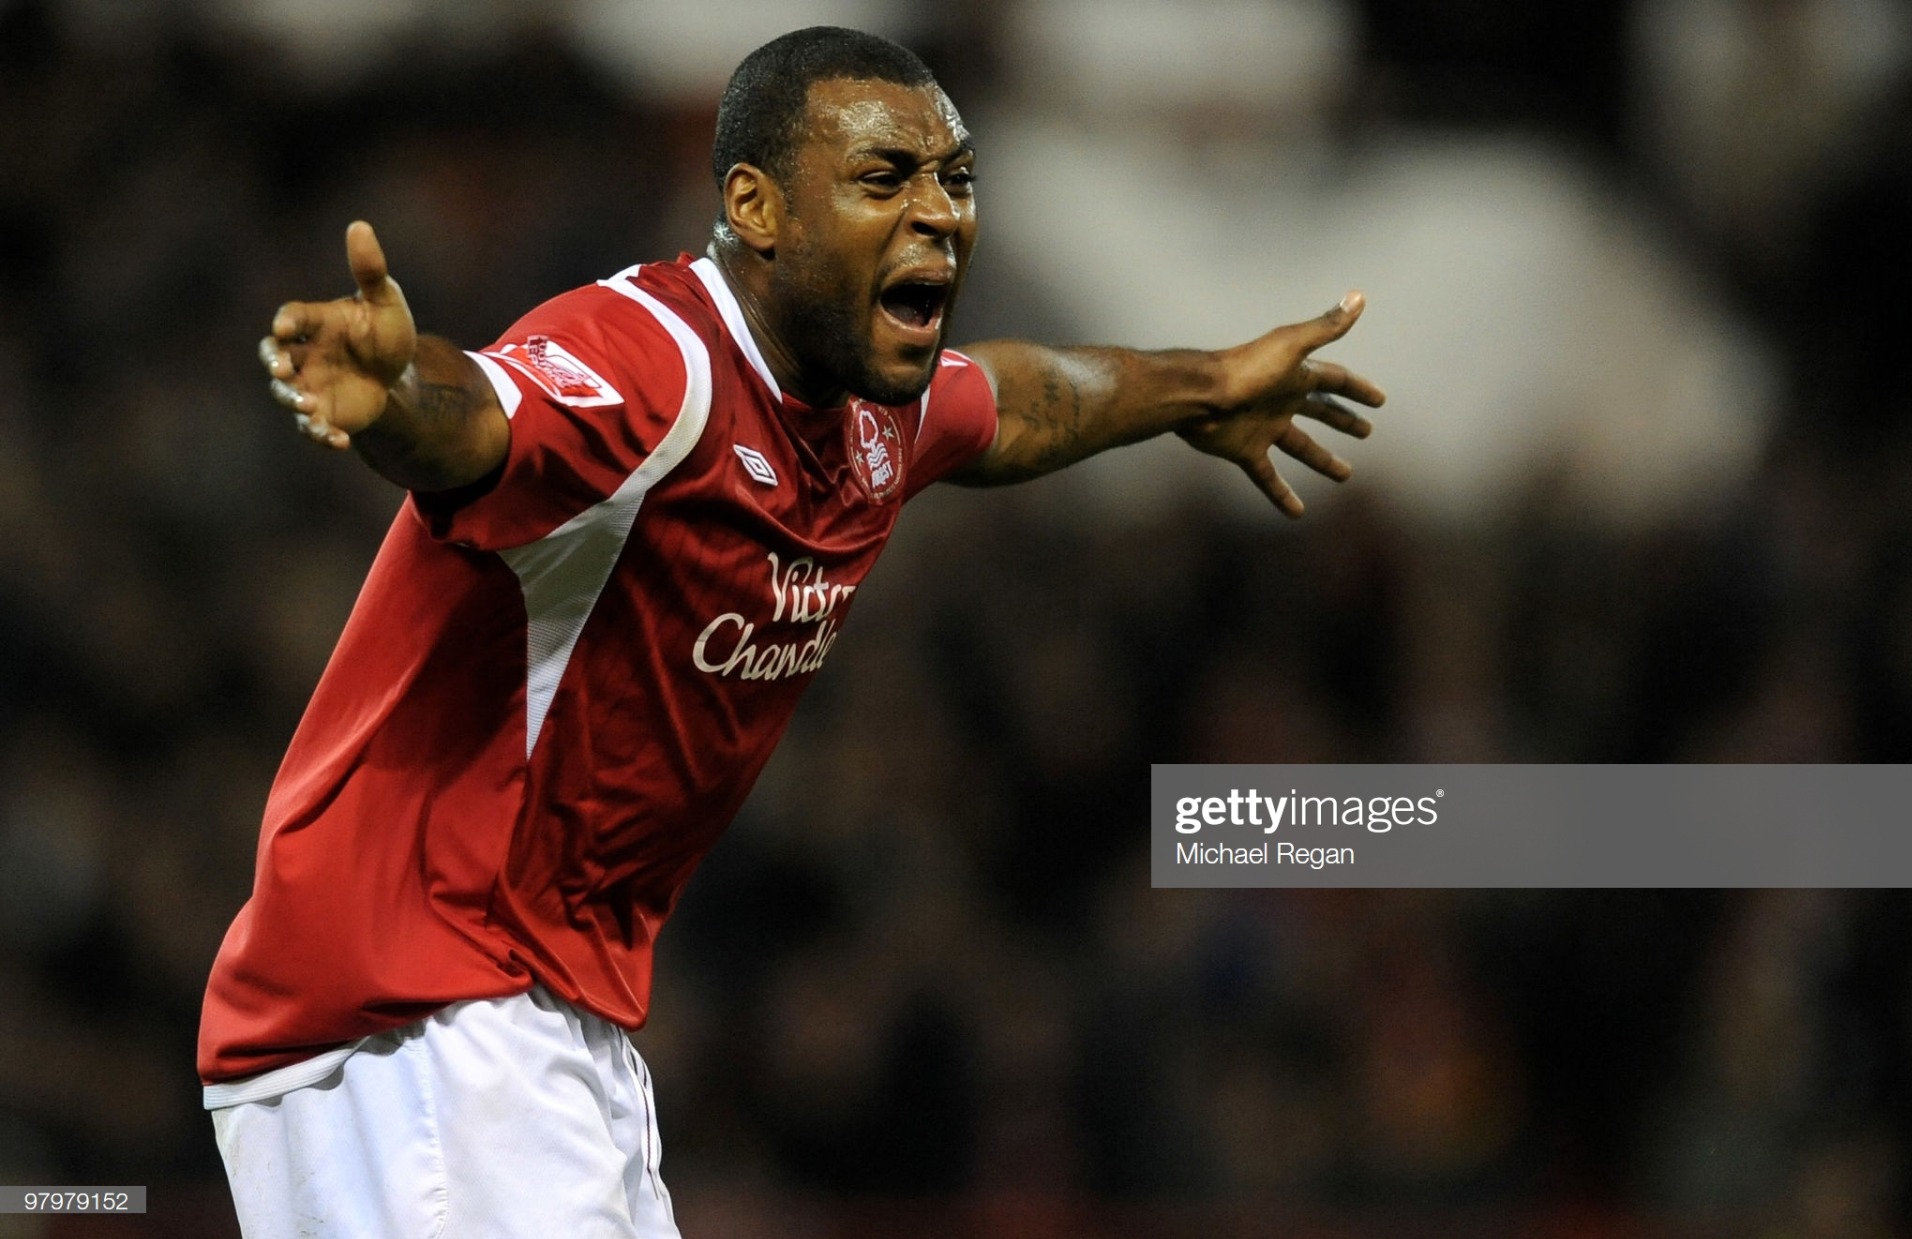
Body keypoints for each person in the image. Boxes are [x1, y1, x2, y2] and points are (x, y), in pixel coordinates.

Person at [199, 24, 1386, 1239]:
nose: (940, 216)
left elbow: (1016, 403)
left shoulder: (870, 413)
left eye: (956, 180)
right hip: (419, 1013)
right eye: (885, 180)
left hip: (547, 1018)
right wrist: (397, 395)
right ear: (756, 207)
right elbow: (489, 416)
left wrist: (1202, 388)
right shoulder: (660, 363)